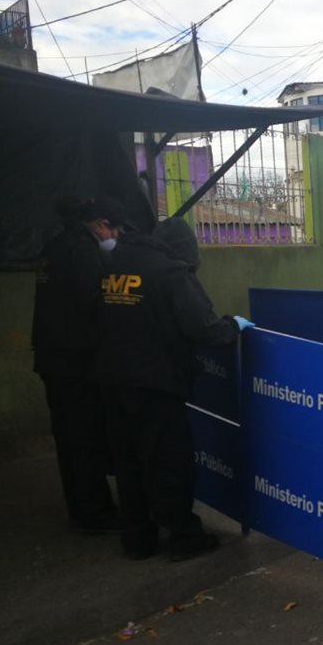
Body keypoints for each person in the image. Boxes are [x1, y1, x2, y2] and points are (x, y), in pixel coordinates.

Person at [93, 214, 244, 560]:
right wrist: (232, 326)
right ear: (186, 253)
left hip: (112, 379)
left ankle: (138, 538)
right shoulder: (171, 272)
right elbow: (204, 329)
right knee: (169, 461)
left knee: (128, 460)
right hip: (155, 384)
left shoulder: (114, 265)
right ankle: (183, 536)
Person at [31, 197, 120, 534]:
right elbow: (95, 302)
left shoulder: (53, 247)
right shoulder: (82, 252)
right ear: (95, 224)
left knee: (67, 437)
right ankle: (96, 513)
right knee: (85, 437)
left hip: (51, 357)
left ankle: (79, 507)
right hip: (77, 360)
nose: (110, 233)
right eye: (108, 226)